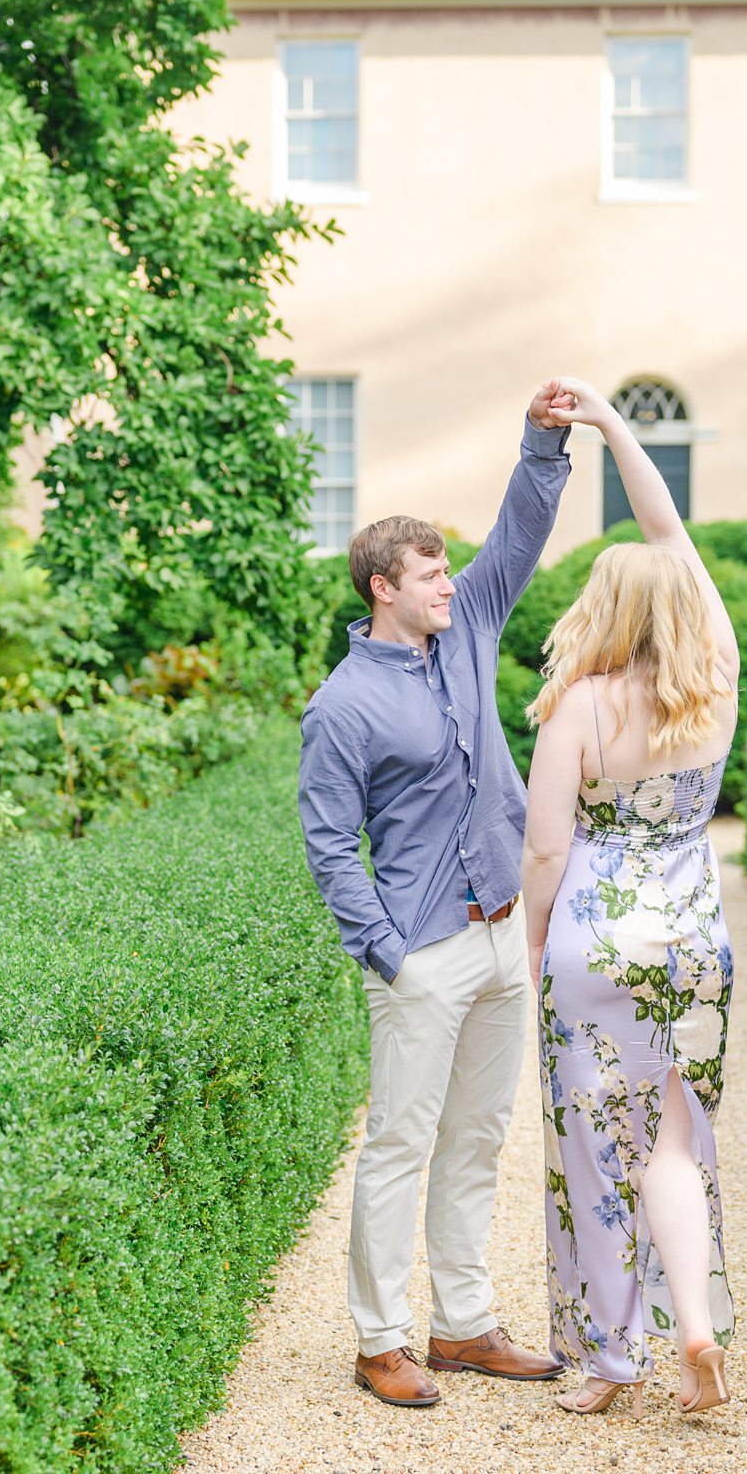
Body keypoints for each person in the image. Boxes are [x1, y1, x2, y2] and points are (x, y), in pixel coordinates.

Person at [297, 380, 579, 1408]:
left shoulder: (469, 630)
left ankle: (462, 1325)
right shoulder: (342, 706)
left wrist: (541, 439)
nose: (451, 583)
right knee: (400, 1144)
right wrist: (387, 950)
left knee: (476, 1139)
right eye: (431, 574)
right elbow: (330, 843)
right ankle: (380, 1339)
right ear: (384, 587)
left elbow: (520, 531)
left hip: (504, 936)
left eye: (448, 569)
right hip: (420, 951)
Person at [519, 376, 739, 1418]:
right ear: (685, 604)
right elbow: (669, 526)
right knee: (672, 1140)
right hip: (692, 939)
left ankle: (613, 1359)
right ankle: (691, 1320)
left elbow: (545, 851)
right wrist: (612, 424)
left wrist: (534, 949)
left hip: (593, 944)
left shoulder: (577, 708)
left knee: (589, 1149)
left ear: (600, 610)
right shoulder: (720, 679)